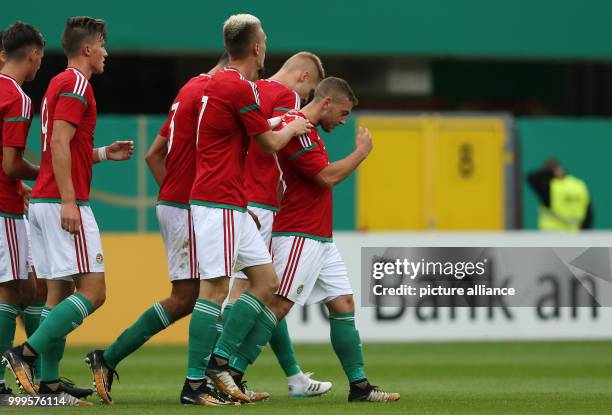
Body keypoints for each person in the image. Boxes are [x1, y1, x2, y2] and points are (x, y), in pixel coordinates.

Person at [231, 77, 400, 402]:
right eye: (344, 112)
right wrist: (361, 154)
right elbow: (325, 177)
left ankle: (359, 386)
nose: (344, 120)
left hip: (320, 237)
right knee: (278, 305)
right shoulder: (299, 129)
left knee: (343, 304)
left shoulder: (308, 129)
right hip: (298, 232)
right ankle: (233, 373)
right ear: (326, 103)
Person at [2, 16, 134, 406]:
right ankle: (23, 354)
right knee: (94, 292)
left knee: (56, 294)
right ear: (89, 49)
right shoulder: (76, 83)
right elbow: (59, 143)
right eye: (103, 46)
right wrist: (70, 199)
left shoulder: (57, 84)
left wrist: (101, 155)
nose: (107, 53)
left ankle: (47, 382)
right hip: (60, 202)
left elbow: (62, 147)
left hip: (42, 201)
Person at [86, 53, 230, 406]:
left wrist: (172, 196)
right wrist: (183, 202)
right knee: (202, 293)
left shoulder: (187, 92)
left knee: (194, 297)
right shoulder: (212, 94)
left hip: (179, 204)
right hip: (188, 206)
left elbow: (153, 155)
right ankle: (197, 381)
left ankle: (114, 359)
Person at [182, 14, 311, 405]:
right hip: (217, 199)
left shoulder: (223, 83)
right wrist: (295, 124)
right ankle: (194, 384)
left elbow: (251, 130)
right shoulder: (239, 87)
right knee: (216, 289)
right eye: (265, 40)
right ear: (256, 47)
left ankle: (219, 363)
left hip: (230, 202)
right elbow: (270, 143)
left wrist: (278, 125)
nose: (266, 46)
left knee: (266, 281)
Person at [224, 51, 332, 397]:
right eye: (309, 91)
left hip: (241, 197)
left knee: (261, 291)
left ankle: (293, 375)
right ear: (302, 78)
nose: (304, 101)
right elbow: (276, 143)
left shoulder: (251, 90)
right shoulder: (287, 98)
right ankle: (219, 372)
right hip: (262, 204)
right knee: (251, 292)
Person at [0, 21, 43, 396]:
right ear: (32, 56)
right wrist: (45, 174)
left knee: (30, 289)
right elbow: (10, 164)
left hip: (8, 198)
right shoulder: (18, 98)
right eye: (39, 59)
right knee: (12, 291)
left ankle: (40, 374)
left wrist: (20, 183)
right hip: (3, 209)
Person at [527, 159, 592, 231]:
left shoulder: (550, 187)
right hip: (574, 231)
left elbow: (531, 177)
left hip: (551, 232)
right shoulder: (579, 185)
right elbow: (589, 211)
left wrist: (549, 173)